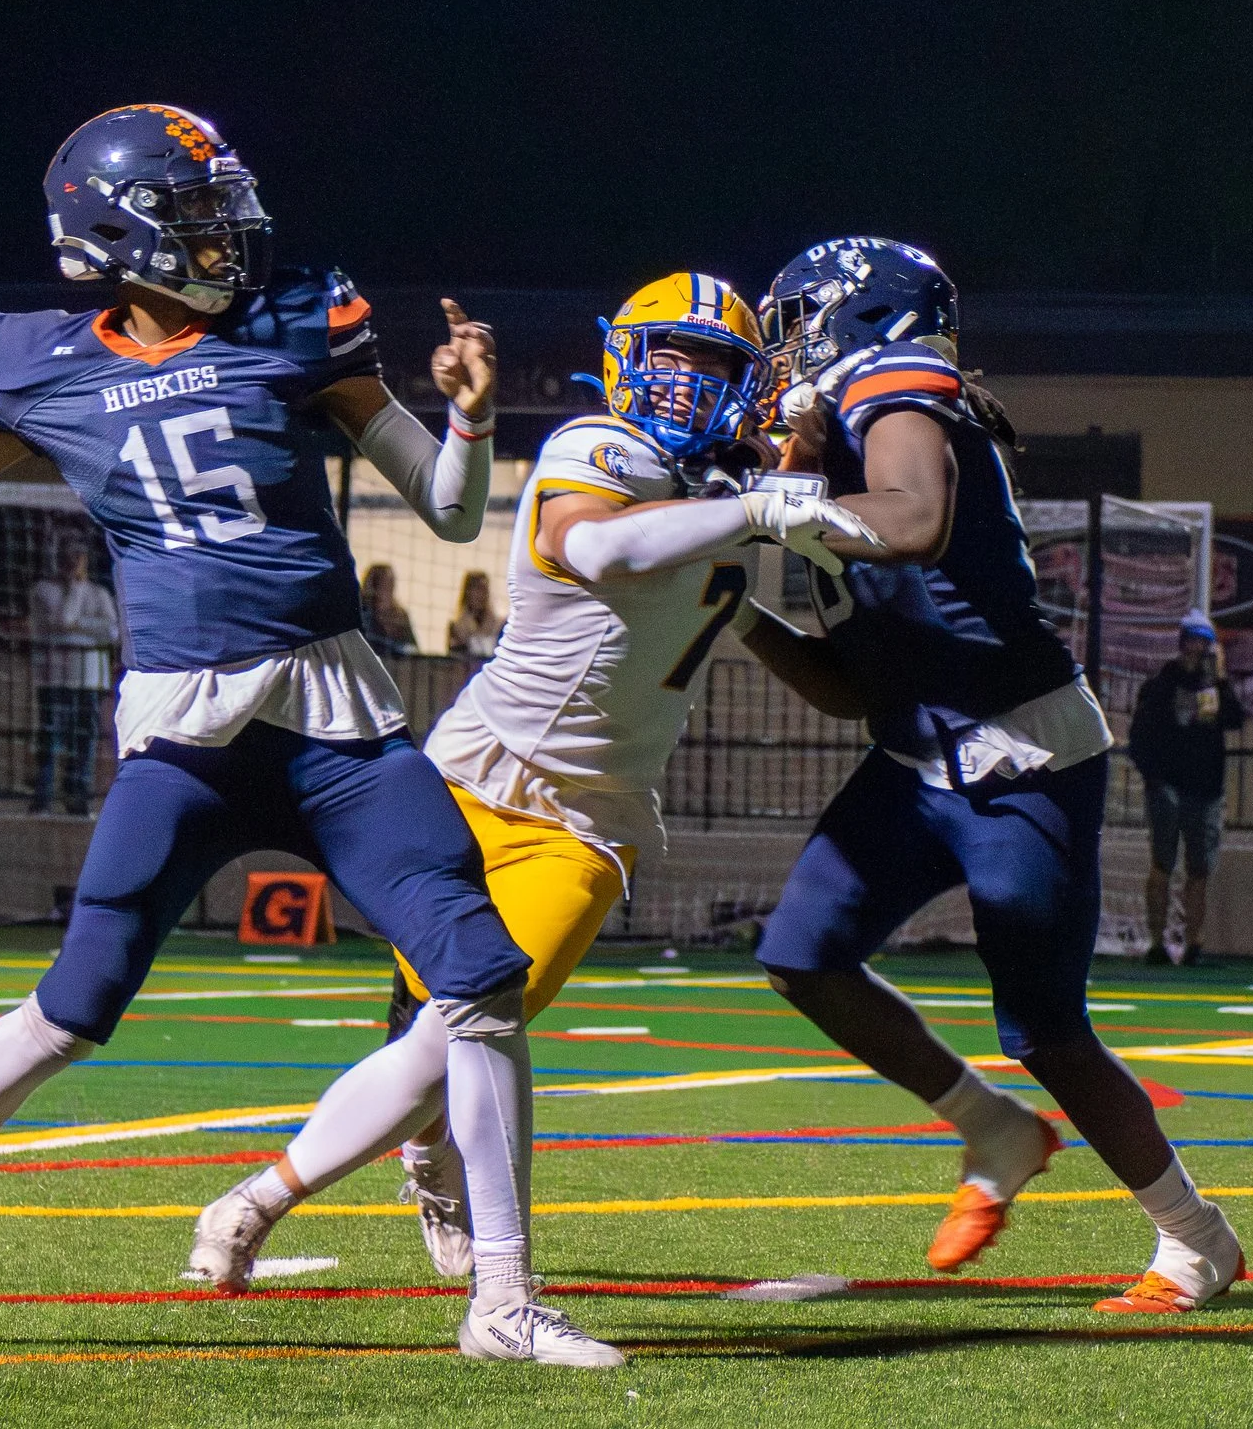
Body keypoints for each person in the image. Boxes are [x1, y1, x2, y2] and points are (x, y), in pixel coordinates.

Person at [0, 104, 618, 1367]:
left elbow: (441, 505)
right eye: (197, 213)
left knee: (480, 978)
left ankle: (503, 1299)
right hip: (189, 741)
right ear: (113, 235)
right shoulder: (42, 361)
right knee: (66, 1009)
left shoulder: (295, 322)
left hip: (337, 730)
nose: (228, 233)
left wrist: (473, 420)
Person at [188, 273, 868, 1288]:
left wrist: (830, 522)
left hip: (588, 818)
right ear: (623, 358)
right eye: (670, 352)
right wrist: (762, 505)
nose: (687, 376)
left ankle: (255, 1200)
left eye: (712, 360)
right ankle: (421, 1165)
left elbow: (776, 627)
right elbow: (588, 543)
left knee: (455, 1029)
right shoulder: (600, 445)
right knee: (442, 1022)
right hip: (473, 776)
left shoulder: (725, 486)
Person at [738, 238, 1245, 1315]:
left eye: (795, 324)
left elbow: (915, 521)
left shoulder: (893, 387)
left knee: (1046, 1030)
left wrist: (768, 510)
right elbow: (847, 691)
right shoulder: (827, 457)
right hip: (916, 759)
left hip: (1022, 756)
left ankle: (1197, 1239)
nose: (782, 352)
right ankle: (992, 1126)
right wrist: (736, 606)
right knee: (800, 955)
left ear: (854, 317)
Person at [1127, 610, 1245, 964]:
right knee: (1162, 862)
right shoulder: (1162, 685)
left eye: (1204, 643)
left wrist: (1221, 681)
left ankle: (1194, 942)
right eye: (1192, 641)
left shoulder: (1215, 687)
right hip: (1168, 786)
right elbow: (1140, 735)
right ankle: (1156, 941)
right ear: (1182, 644)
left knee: (1199, 868)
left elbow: (1235, 719)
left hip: (1204, 788)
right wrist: (1153, 776)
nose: (1198, 650)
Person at [26, 541, 120, 815]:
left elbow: (111, 632)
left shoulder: (99, 593)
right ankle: (43, 797)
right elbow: (60, 622)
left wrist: (78, 625)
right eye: (68, 558)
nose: (73, 564)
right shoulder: (44, 591)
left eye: (78, 558)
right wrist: (76, 595)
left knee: (84, 740)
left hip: (88, 678)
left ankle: (78, 796)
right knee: (50, 738)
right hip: (54, 677)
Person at [361, 562, 417, 657]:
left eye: (390, 583)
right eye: (381, 583)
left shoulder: (401, 615)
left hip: (397, 664)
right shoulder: (362, 612)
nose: (386, 588)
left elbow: (413, 648)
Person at [446, 569, 503, 659]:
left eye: (484, 589)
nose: (481, 595)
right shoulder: (457, 627)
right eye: (476, 589)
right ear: (467, 592)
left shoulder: (498, 625)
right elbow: (454, 660)